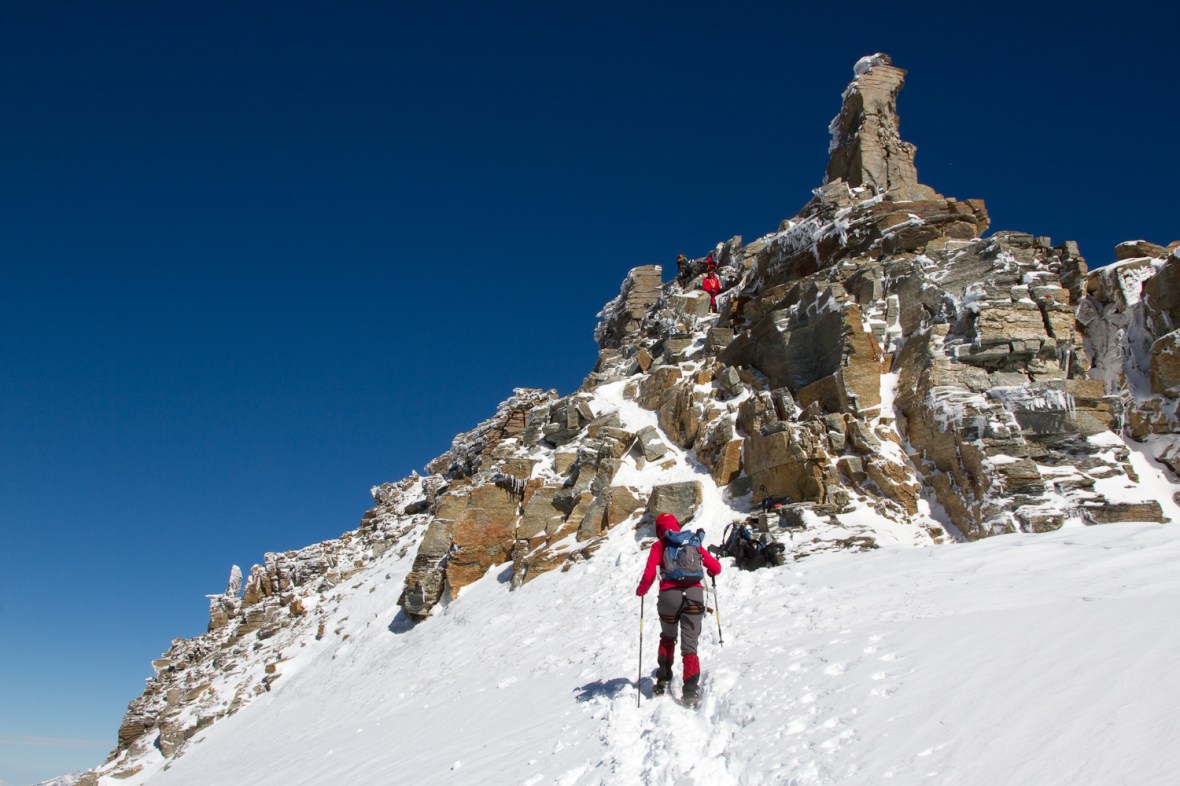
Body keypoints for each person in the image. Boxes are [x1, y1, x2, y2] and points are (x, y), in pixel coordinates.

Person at [635, 513, 722, 705]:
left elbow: (650, 574)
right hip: (694, 596)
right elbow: (715, 567)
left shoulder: (659, 545)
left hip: (669, 597)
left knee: (667, 637)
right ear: (676, 524)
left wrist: (641, 591)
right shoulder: (692, 542)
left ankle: (663, 680)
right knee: (690, 645)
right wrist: (711, 571)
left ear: (659, 529)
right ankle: (690, 691)